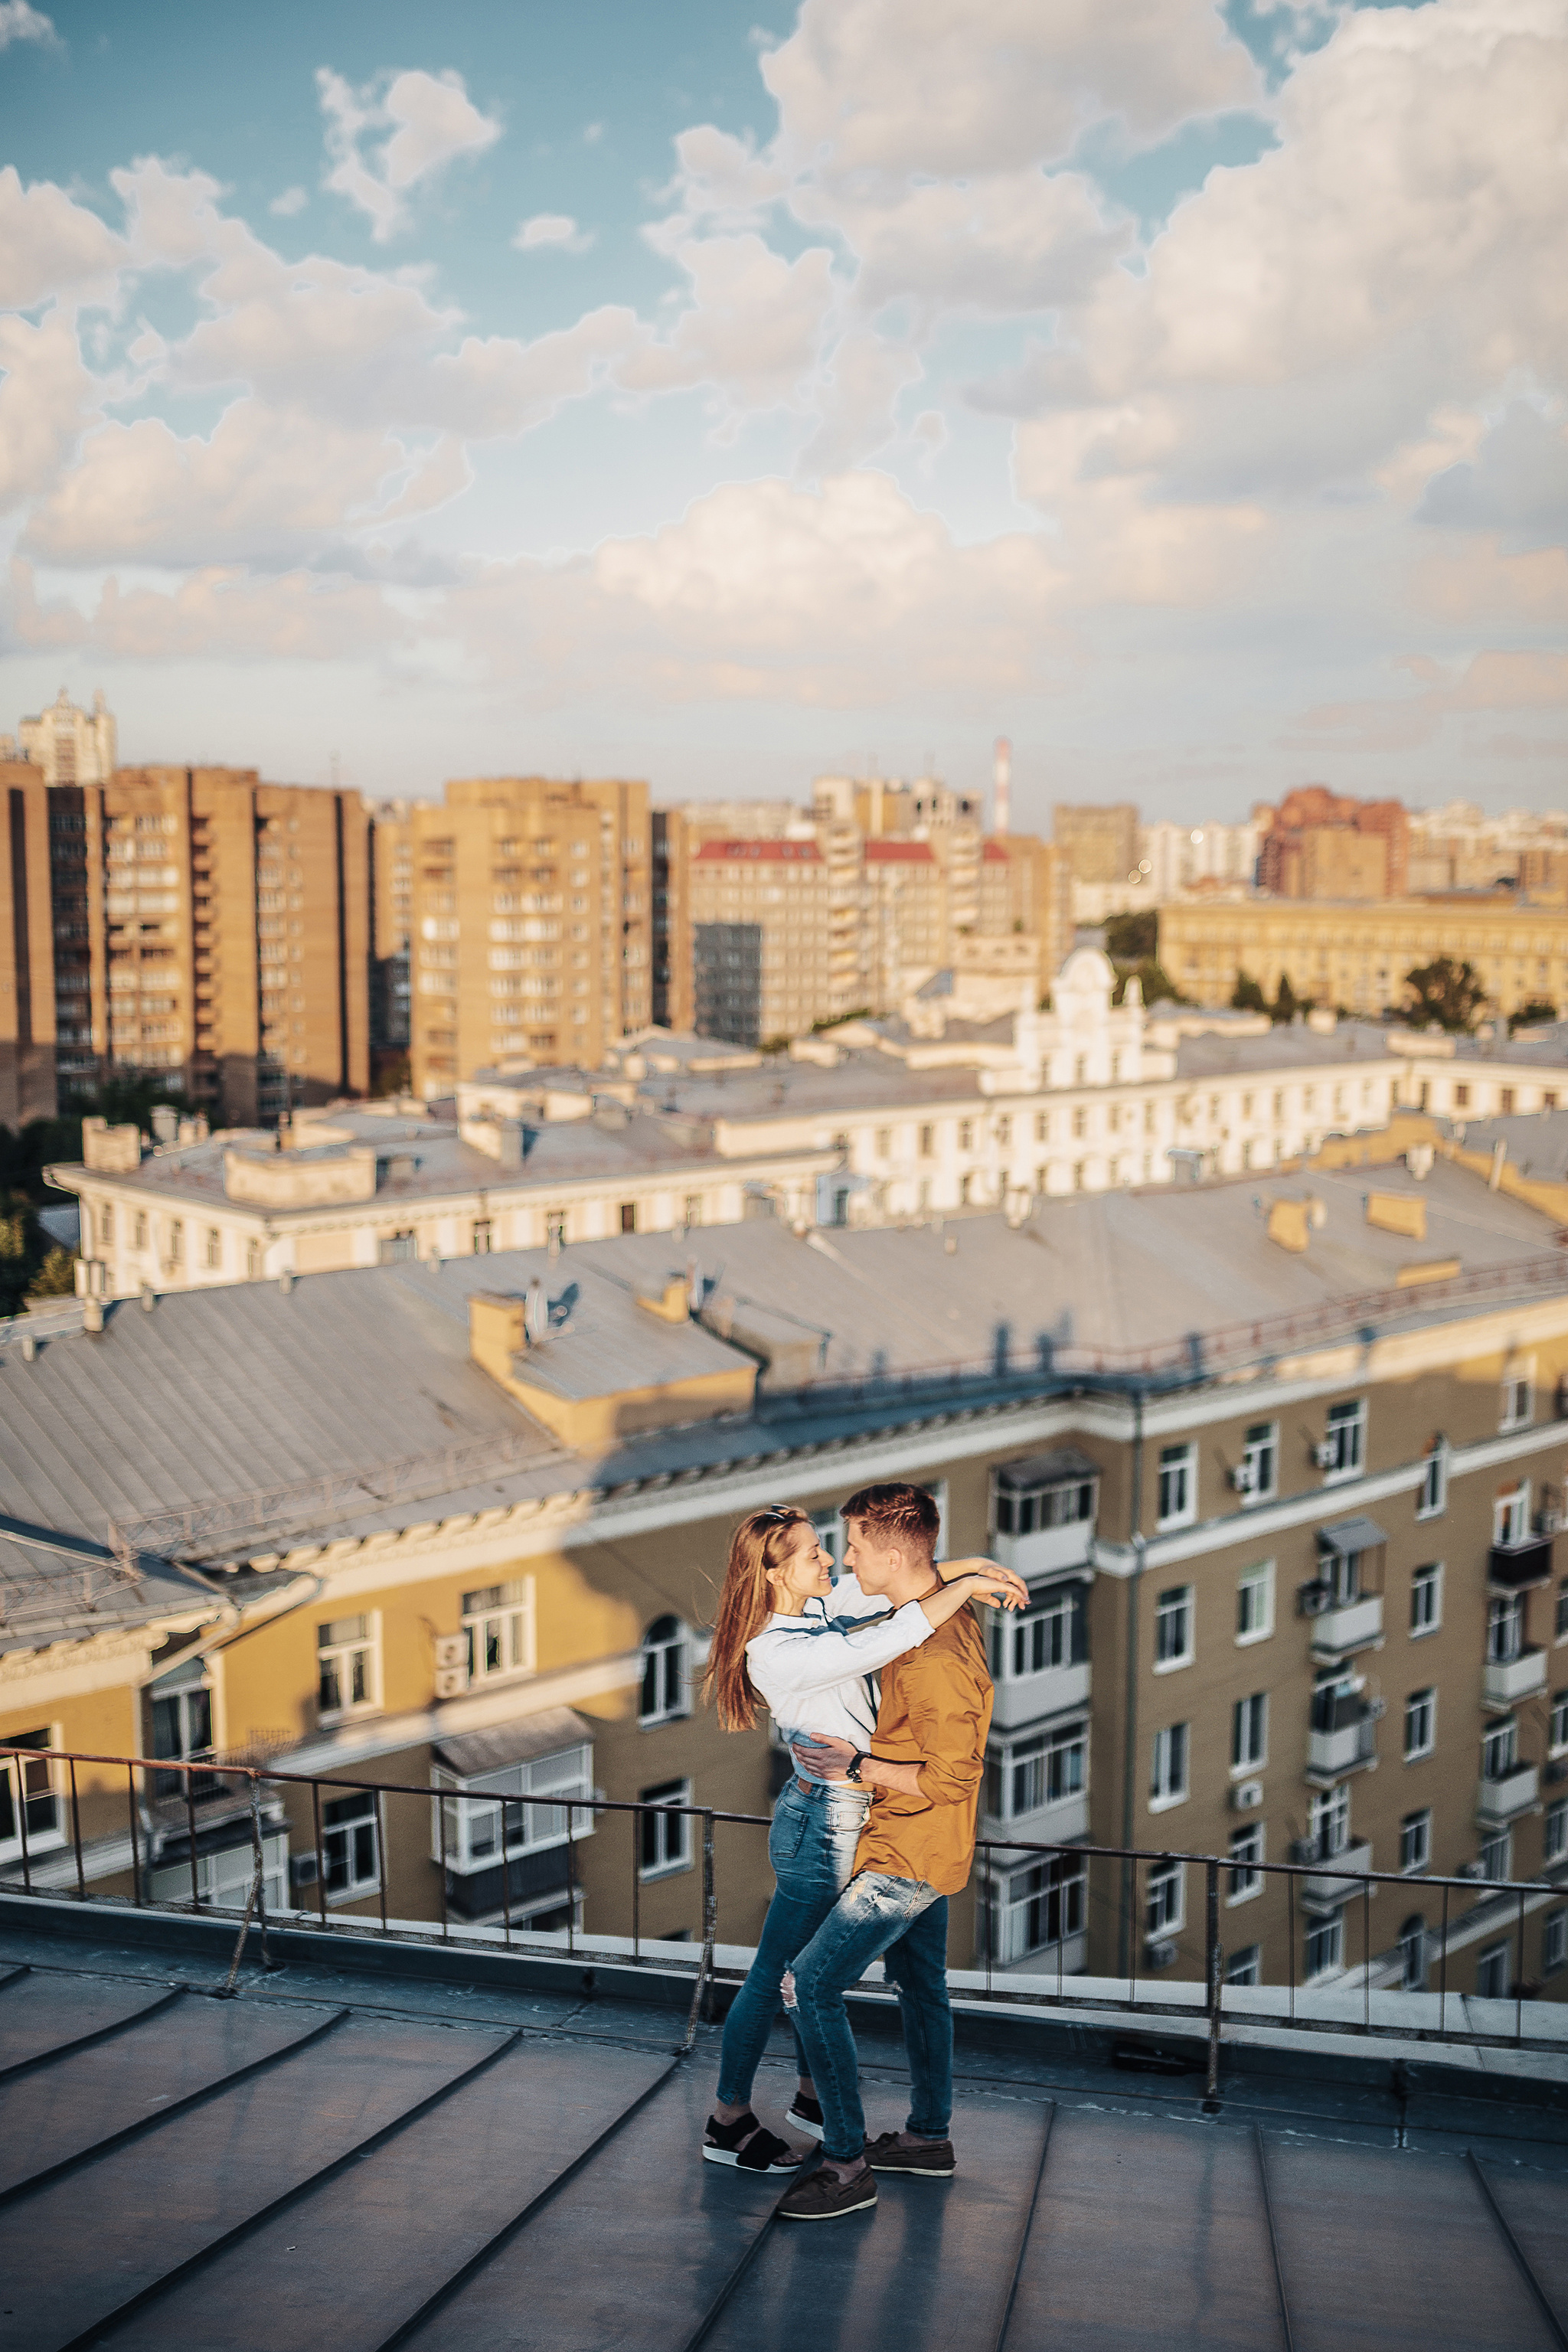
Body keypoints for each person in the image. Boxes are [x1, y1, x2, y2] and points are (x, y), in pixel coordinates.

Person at [698, 1501, 1024, 2174]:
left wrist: (966, 1567)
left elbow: (887, 1580)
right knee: (777, 1978)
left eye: (831, 1546)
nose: (830, 1560)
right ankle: (728, 2118)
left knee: (813, 1977)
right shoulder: (778, 1651)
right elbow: (883, 1637)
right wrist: (962, 1588)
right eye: (814, 1551)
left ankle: (815, 2100)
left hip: (855, 1813)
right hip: (822, 1824)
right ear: (773, 1572)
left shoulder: (812, 1607)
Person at [776, 1481, 993, 2222]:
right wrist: (969, 1572)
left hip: (907, 1853)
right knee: (921, 1986)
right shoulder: (923, 1614)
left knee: (810, 1985)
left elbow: (954, 1777)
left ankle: (844, 2165)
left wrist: (855, 1765)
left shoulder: (935, 1656)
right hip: (920, 1846)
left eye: (858, 1546)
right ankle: (928, 2139)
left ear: (894, 1553)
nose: (846, 1558)